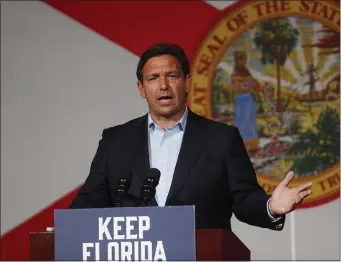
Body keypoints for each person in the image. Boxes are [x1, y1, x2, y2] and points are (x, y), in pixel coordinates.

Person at [69, 43, 312, 230]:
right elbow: (90, 202)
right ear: (141, 89)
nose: (163, 85)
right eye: (153, 78)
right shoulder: (116, 141)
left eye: (172, 76)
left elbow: (244, 199)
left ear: (187, 83)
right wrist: (64, 230)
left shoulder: (221, 139)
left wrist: (270, 207)